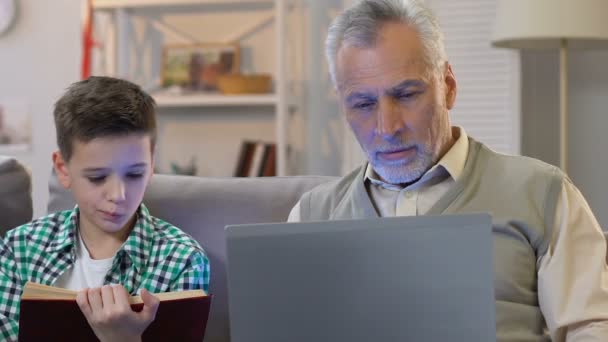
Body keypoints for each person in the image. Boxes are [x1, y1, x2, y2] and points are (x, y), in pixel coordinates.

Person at [288, 0, 608, 340]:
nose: (387, 126)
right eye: (363, 104)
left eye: (407, 94)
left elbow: (591, 326)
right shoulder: (312, 215)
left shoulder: (542, 193)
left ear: (448, 86)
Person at [0, 76, 210, 341]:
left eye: (134, 174)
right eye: (97, 177)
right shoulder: (17, 249)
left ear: (151, 163)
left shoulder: (182, 259)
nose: (118, 195)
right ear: (63, 169)